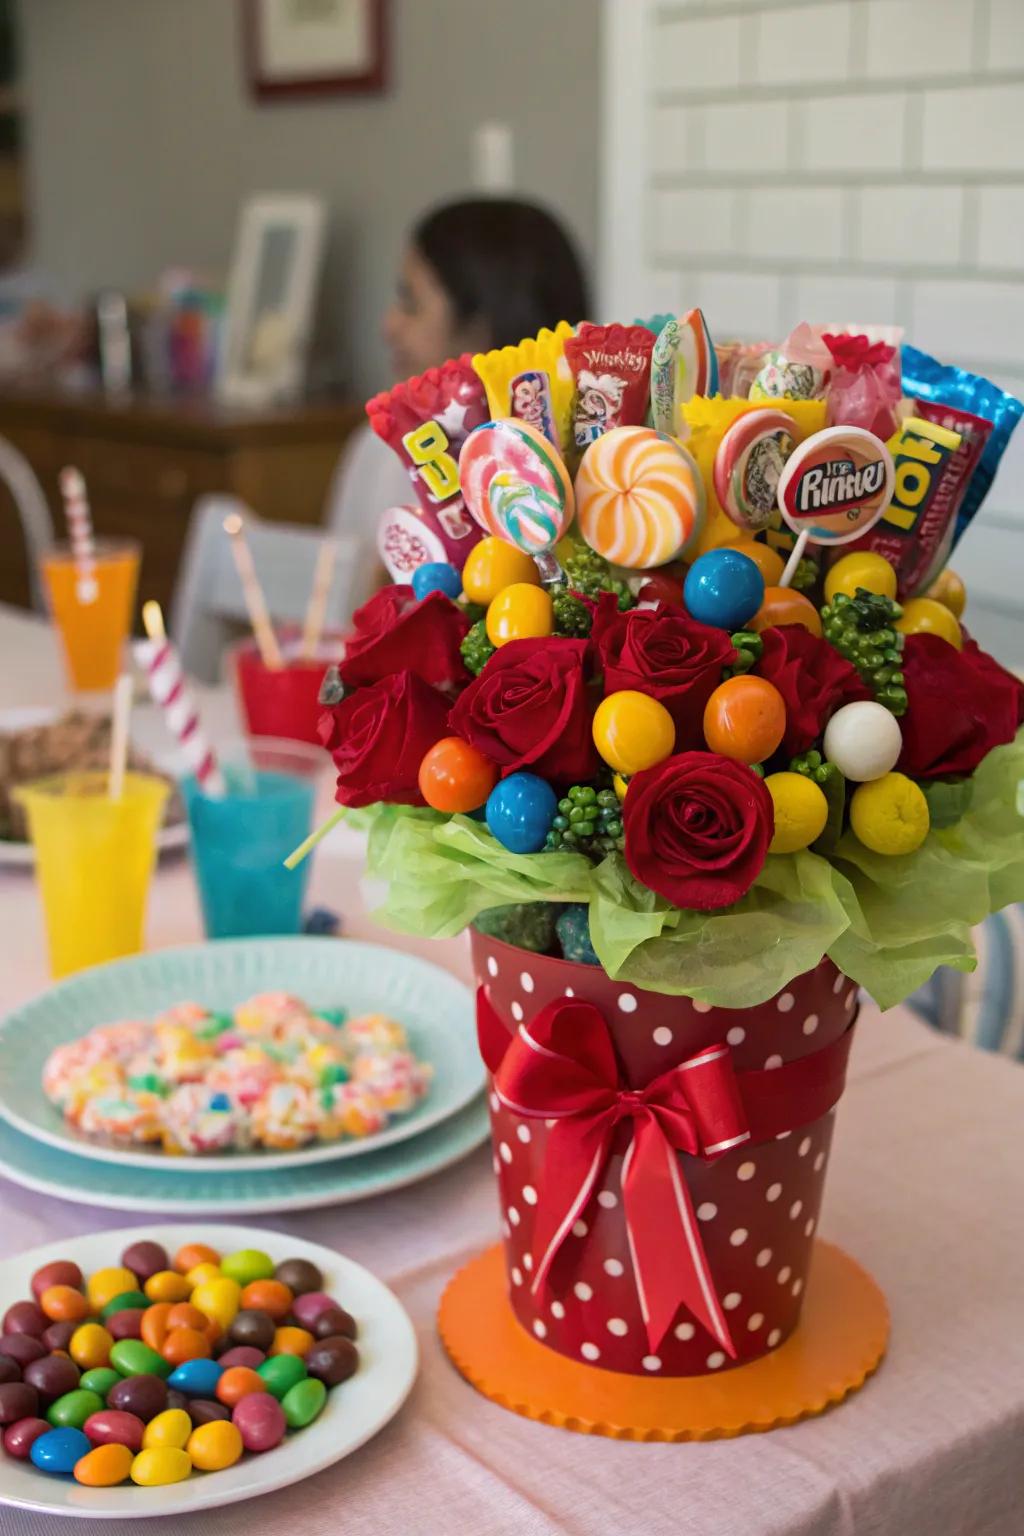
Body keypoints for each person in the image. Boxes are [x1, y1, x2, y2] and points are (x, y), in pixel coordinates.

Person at [325, 196, 590, 599]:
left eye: (410, 302)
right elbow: (342, 612)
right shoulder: (380, 451)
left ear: (484, 324)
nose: (389, 325)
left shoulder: (592, 466)